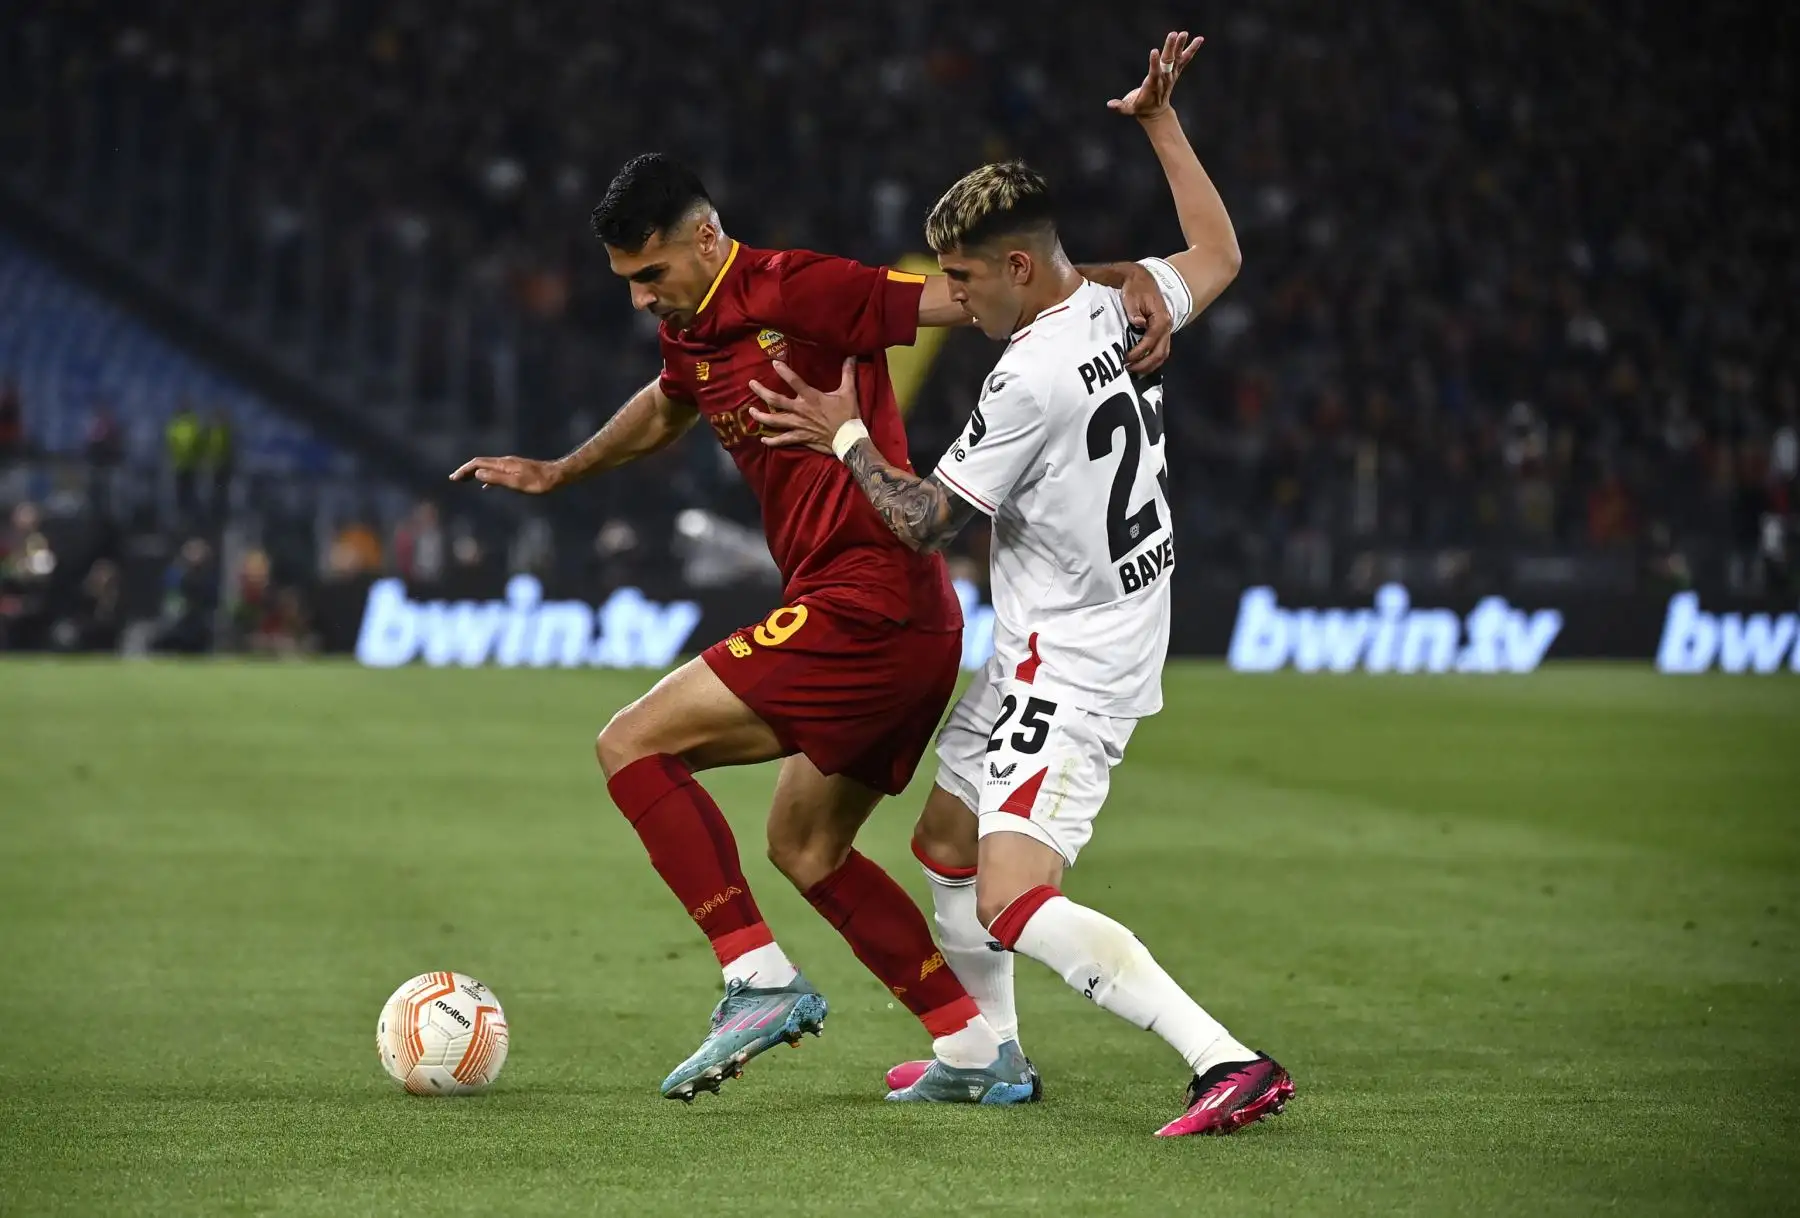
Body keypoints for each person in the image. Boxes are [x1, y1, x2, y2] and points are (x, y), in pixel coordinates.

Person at [450, 152, 1175, 1102]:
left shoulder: (802, 288)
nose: (639, 300)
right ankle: (972, 1048)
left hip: (867, 602)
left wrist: (1134, 283)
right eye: (626, 284)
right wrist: (559, 470)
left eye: (649, 275)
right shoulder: (695, 325)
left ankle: (755, 980)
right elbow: (668, 405)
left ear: (705, 239)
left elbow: (987, 293)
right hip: (895, 619)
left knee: (631, 745)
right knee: (805, 846)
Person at [747, 32, 1293, 1136]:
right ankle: (990, 1052)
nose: (948, 300)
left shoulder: (1029, 376)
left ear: (1018, 269)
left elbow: (918, 523)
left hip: (1074, 660)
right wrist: (1158, 123)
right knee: (946, 842)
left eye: (958, 278)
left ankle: (1225, 1059)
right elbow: (1220, 255)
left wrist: (845, 432)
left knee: (1009, 893)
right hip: (1069, 630)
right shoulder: (1111, 306)